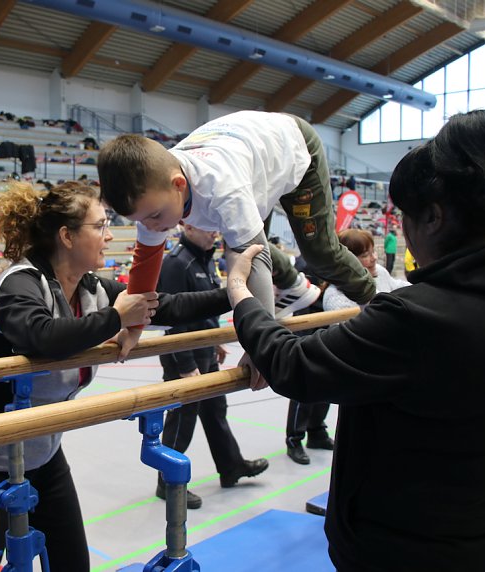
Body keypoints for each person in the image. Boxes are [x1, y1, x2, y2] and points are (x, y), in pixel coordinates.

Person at [226, 109, 485, 571]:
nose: (403, 230)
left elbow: (294, 366)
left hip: (410, 553)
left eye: (406, 217)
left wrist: (242, 296)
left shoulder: (420, 318)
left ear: (434, 217)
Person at [0, 181, 232, 572]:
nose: (109, 236)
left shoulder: (90, 288)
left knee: (73, 562)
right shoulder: (20, 283)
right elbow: (44, 337)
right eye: (100, 226)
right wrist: (116, 318)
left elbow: (166, 306)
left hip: (44, 454)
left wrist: (234, 293)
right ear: (67, 236)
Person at [97, 110, 376, 359]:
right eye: (140, 220)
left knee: (318, 254)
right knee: (244, 241)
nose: (150, 226)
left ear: (178, 185)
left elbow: (253, 262)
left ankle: (375, 300)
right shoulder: (151, 202)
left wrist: (260, 349)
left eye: (155, 216)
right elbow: (144, 272)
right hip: (251, 159)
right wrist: (133, 328)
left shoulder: (221, 190)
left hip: (293, 146)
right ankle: (292, 285)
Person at [156, 224, 269, 509]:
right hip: (184, 355)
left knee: (215, 410)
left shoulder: (206, 259)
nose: (214, 234)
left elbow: (202, 308)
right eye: (207, 229)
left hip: (204, 350)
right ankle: (167, 481)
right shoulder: (177, 263)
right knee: (182, 420)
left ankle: (231, 467)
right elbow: (172, 317)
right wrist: (185, 364)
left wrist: (215, 341)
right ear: (188, 226)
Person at [284, 257, 334, 466]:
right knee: (303, 385)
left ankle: (316, 431)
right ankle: (294, 439)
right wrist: (303, 340)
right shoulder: (305, 263)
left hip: (329, 328)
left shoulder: (334, 258)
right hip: (309, 330)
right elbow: (300, 302)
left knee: (328, 384)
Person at [323, 229, 410, 312]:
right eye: (365, 255)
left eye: (373, 252)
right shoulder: (336, 299)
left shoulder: (379, 270)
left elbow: (397, 286)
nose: (374, 258)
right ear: (346, 262)